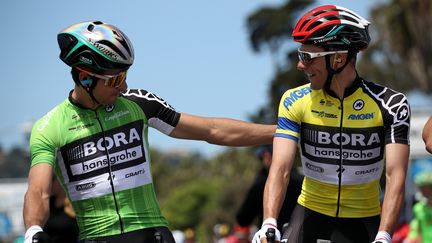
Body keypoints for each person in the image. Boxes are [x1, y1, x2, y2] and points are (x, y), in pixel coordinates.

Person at [23, 20, 276, 243]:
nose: (124, 86)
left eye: (125, 75)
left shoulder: (140, 104)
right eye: (114, 79)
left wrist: (283, 132)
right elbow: (39, 191)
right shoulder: (50, 126)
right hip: (96, 237)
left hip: (151, 233)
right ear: (84, 77)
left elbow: (212, 130)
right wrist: (33, 229)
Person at [252, 5, 411, 243]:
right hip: (309, 214)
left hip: (363, 220)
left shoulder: (391, 105)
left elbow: (395, 176)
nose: (300, 65)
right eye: (299, 55)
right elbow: (281, 168)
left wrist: (385, 235)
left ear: (339, 58)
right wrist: (269, 222)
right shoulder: (294, 100)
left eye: (307, 57)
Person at [236, 145, 302, 232]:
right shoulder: (300, 180)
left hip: (280, 235)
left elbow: (243, 219)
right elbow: (243, 219)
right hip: (289, 235)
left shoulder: (260, 183)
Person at [406, 171, 432, 243]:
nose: (423, 190)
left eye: (426, 187)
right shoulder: (418, 208)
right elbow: (417, 230)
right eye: (421, 188)